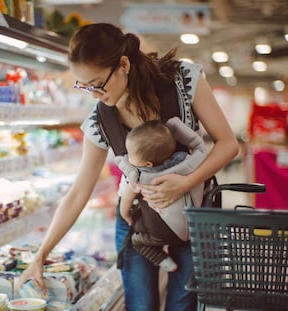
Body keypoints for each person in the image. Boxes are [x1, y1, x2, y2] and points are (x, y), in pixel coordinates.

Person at [17, 23, 239, 311]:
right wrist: (40, 256)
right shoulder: (101, 121)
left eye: (97, 83)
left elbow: (227, 143)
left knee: (182, 305)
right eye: (84, 86)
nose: (94, 94)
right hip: (138, 223)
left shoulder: (183, 79)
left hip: (193, 214)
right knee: (140, 305)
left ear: (123, 64)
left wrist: (186, 181)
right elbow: (78, 192)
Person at [116, 117, 207, 273]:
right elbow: (200, 147)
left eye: (130, 155)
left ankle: (163, 260)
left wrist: (126, 215)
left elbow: (127, 200)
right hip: (192, 227)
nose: (127, 157)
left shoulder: (138, 176)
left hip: (160, 234)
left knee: (137, 241)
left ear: (147, 164)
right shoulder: (187, 162)